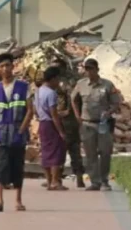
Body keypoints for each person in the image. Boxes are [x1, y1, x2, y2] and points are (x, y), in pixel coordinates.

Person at [0, 53, 34, 212]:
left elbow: (30, 111)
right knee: (0, 166)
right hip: (1, 133)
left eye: (8, 65)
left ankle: (18, 200)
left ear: (13, 67)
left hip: (17, 132)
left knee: (17, 166)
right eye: (2, 66)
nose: (5, 69)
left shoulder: (23, 87)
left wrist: (21, 131)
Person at [72, 57, 121, 191]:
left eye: (91, 69)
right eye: (86, 69)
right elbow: (73, 99)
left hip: (103, 124)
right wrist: (77, 116)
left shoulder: (107, 85)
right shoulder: (81, 84)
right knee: (90, 154)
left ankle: (105, 180)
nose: (88, 72)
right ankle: (95, 182)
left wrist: (109, 112)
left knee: (105, 152)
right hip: (87, 124)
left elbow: (117, 102)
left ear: (97, 69)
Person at [50, 57, 86, 188]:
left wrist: (68, 111)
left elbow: (73, 98)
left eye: (56, 66)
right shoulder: (56, 80)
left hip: (68, 119)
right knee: (62, 149)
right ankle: (57, 178)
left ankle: (75, 177)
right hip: (58, 118)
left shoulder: (67, 80)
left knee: (69, 148)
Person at [36, 65, 67, 191]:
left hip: (42, 123)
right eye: (57, 79)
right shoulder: (51, 93)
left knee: (46, 151)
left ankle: (48, 180)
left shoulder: (38, 91)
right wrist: (61, 131)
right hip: (50, 124)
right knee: (55, 152)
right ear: (53, 79)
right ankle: (55, 181)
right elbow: (53, 114)